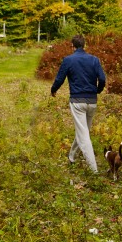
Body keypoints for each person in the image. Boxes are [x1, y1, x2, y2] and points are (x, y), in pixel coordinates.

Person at [50, 34, 106, 172]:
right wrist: (97, 91)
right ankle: (72, 157)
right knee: (83, 131)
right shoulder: (94, 59)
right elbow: (102, 79)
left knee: (83, 135)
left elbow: (59, 79)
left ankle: (94, 170)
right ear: (84, 45)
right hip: (92, 101)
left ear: (72, 46)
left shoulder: (68, 60)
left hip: (77, 102)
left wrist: (53, 90)